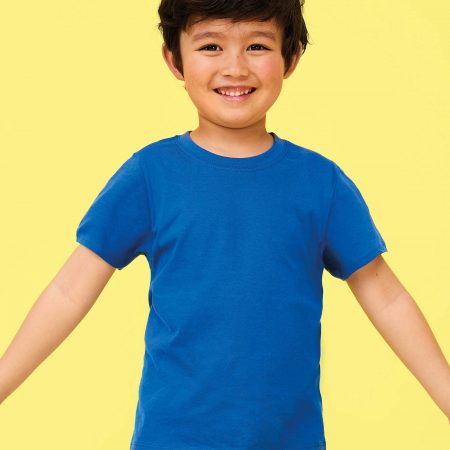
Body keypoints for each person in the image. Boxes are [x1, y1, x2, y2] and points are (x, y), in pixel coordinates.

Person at [1, 1, 449, 449]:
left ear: (291, 58)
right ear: (174, 59)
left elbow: (387, 299)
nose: (235, 67)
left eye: (257, 46)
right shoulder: (150, 176)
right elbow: (68, 291)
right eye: (211, 46)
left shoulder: (321, 183)